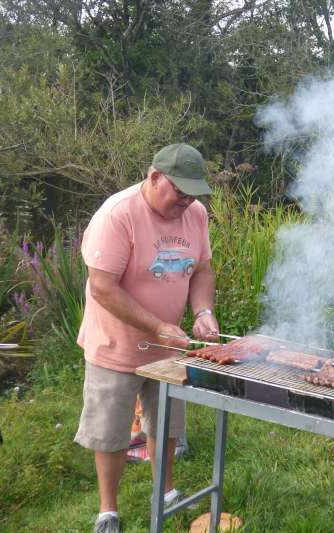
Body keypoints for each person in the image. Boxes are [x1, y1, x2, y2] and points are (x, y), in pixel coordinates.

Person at [74, 143, 220, 533]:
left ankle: (166, 490)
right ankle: (108, 510)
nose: (186, 201)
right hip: (116, 345)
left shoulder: (195, 213)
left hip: (167, 346)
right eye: (179, 191)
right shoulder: (117, 215)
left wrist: (203, 312)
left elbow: (202, 269)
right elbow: (102, 287)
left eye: (192, 193)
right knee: (111, 432)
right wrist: (156, 326)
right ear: (155, 177)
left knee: (166, 422)